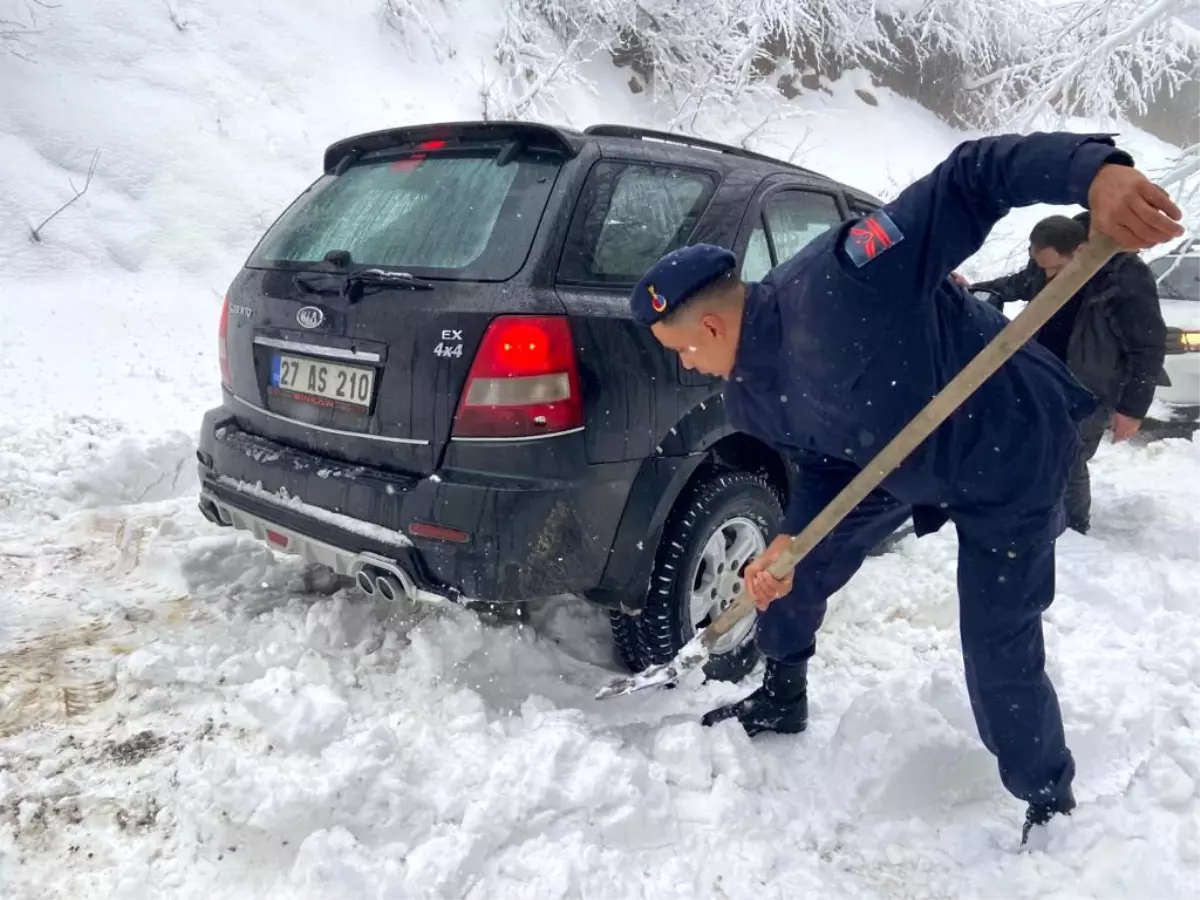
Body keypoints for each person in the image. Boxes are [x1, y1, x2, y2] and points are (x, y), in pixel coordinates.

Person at [627, 132, 1183, 844]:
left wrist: (1093, 174)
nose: (690, 366)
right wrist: (792, 543)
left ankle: (1047, 798)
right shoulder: (749, 397)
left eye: (682, 351)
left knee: (997, 641)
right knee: (788, 576)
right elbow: (826, 464)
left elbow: (970, 178)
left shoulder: (840, 281)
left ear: (708, 322)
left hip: (1006, 452)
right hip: (888, 461)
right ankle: (781, 694)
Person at [970, 213, 1167, 533]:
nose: (1048, 276)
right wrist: (976, 289)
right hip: (1042, 373)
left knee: (1068, 456)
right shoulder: (1050, 259)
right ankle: (1034, 507)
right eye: (1041, 267)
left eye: (1055, 269)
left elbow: (1148, 347)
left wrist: (1131, 409)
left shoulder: (1125, 280)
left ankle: (1074, 530)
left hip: (1089, 385)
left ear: (1080, 251)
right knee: (1033, 446)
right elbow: (1018, 283)